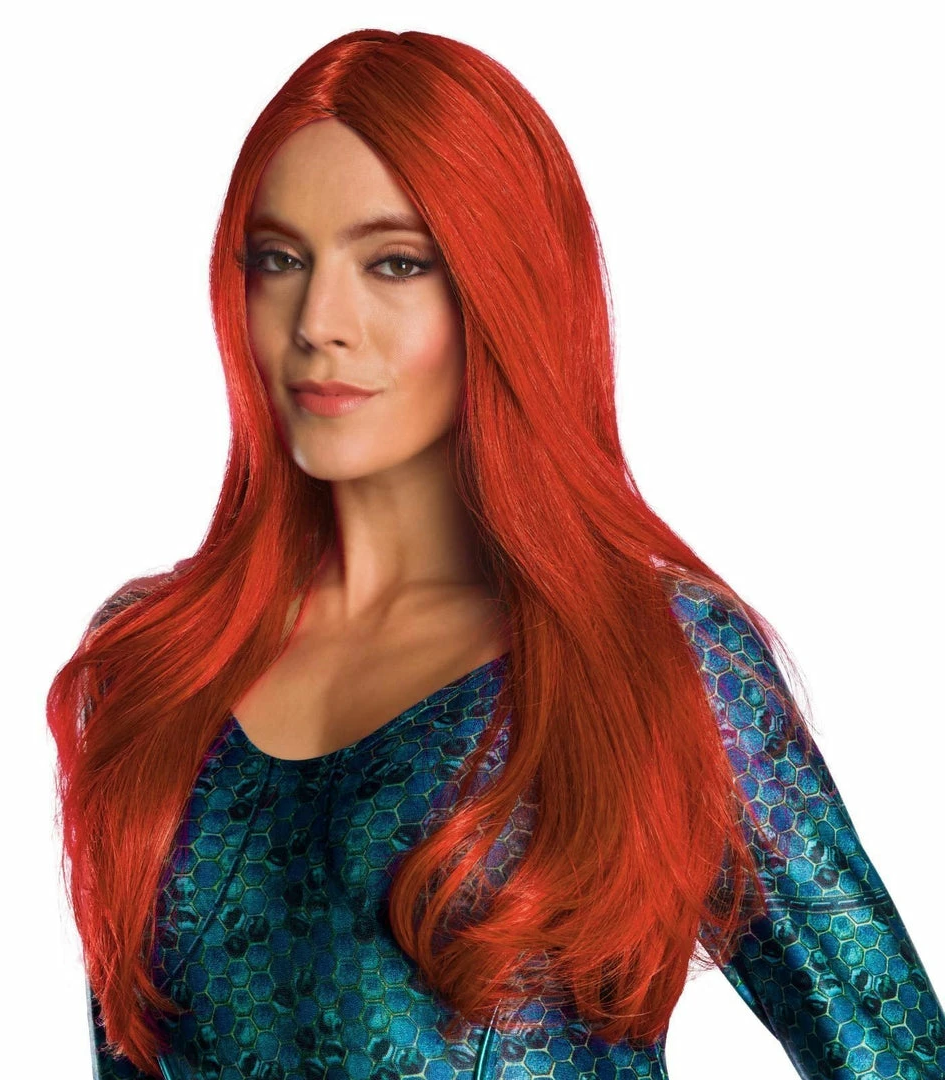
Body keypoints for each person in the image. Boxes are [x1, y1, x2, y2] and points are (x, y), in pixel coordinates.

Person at [47, 28, 945, 1080]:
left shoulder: (653, 659)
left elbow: (895, 1055)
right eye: (280, 260)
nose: (318, 322)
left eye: (395, 263)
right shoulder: (151, 664)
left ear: (503, 288)